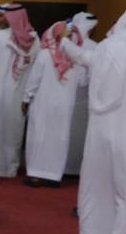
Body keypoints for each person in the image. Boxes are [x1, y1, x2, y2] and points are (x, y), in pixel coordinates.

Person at [63, 8, 126, 234]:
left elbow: (83, 58)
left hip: (99, 130)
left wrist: (63, 43)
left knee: (96, 184)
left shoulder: (107, 46)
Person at [22, 19, 88, 187]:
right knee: (59, 137)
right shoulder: (76, 60)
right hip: (64, 106)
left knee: (39, 136)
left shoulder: (45, 54)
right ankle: (53, 176)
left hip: (42, 104)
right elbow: (83, 82)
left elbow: (34, 80)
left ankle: (35, 175)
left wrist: (26, 98)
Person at [0, 3, 38, 178]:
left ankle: (8, 167)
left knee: (11, 129)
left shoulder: (30, 38)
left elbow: (34, 65)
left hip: (17, 92)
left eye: (4, 16)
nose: (0, 19)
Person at [64, 12, 98, 175]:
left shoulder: (66, 44)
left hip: (77, 95)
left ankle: (67, 167)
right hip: (81, 96)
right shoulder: (95, 46)